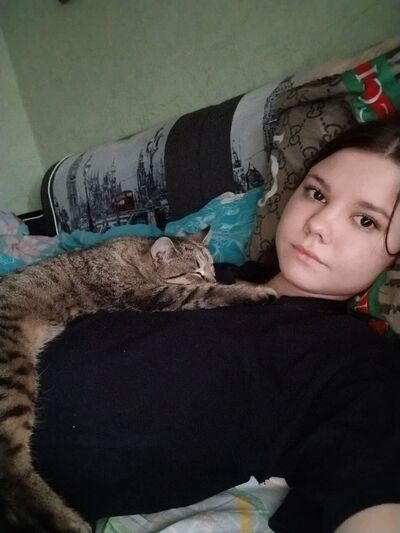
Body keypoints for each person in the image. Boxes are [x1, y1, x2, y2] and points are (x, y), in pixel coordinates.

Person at [23, 116, 400, 533]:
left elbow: (374, 496)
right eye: (317, 193)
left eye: (367, 220)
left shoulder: (351, 358)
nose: (319, 224)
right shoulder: (213, 273)